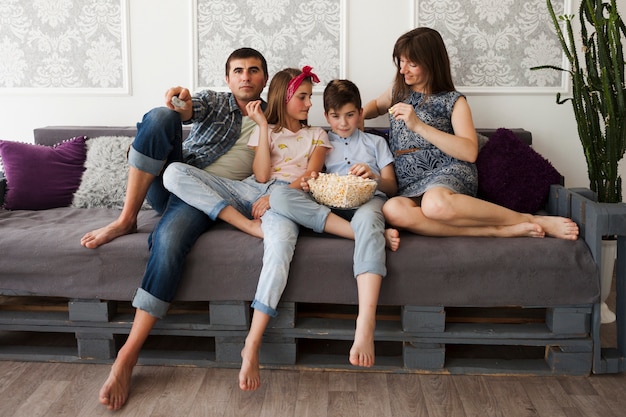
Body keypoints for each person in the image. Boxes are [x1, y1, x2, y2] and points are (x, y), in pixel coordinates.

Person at [94, 47, 270, 411]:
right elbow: (191, 109)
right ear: (227, 78)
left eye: (254, 71)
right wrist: (182, 103)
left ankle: (127, 356)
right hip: (172, 178)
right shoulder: (217, 101)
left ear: (264, 78)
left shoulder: (275, 117)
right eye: (238, 71)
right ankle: (127, 218)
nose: (246, 77)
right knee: (160, 117)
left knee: (170, 241)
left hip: (205, 200)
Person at [162, 67, 331, 392]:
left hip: (286, 198)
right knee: (173, 173)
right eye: (303, 97)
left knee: (280, 249)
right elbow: (261, 175)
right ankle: (242, 225)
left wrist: (276, 198)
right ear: (284, 98)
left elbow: (311, 177)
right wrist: (265, 126)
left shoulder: (318, 135)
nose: (310, 104)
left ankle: (251, 344)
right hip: (249, 191)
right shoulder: (262, 129)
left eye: (310, 97)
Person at [363, 27, 579, 240]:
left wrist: (418, 126)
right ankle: (497, 231)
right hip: (409, 181)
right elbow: (375, 106)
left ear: (431, 63)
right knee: (392, 210)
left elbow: (469, 151)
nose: (403, 70)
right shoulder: (397, 92)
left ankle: (530, 219)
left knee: (434, 204)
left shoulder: (454, 101)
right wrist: (352, 117)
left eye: (412, 63)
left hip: (448, 172)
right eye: (400, 61)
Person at [269, 79, 399, 371]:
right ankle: (371, 236)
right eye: (336, 116)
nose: (343, 123)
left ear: (361, 113)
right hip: (329, 207)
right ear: (327, 116)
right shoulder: (320, 142)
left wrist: (373, 176)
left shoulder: (376, 143)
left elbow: (392, 187)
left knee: (368, 218)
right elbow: (307, 178)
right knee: (280, 196)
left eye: (350, 115)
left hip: (367, 201)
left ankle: (365, 324)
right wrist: (312, 182)